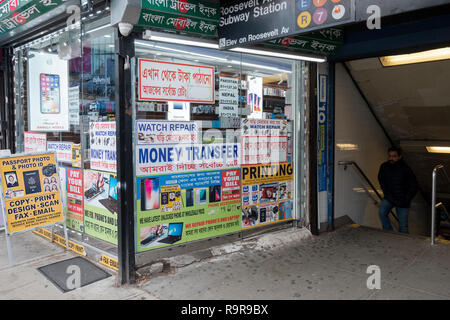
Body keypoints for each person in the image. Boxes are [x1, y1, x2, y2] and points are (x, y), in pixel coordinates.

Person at [378, 147, 418, 233]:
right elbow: (381, 180)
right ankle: (389, 233)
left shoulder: (406, 169)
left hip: (402, 200)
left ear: (400, 156)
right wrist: (386, 193)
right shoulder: (384, 166)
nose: (391, 158)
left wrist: (406, 198)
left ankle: (403, 244)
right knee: (382, 213)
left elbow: (414, 185)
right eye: (389, 156)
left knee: (403, 225)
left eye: (394, 156)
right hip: (389, 197)